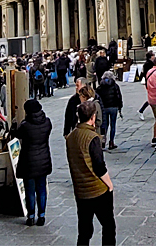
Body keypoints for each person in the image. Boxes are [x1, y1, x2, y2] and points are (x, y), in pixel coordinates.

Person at [67, 102, 116, 245]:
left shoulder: (71, 137)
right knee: (108, 225)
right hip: (97, 190)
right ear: (93, 117)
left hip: (80, 191)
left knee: (84, 230)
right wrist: (109, 184)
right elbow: (99, 165)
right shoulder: (92, 137)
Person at [14, 99, 53, 226]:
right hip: (43, 160)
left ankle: (30, 216)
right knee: (41, 189)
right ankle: (41, 216)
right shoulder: (47, 123)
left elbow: (17, 134)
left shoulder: (25, 126)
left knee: (30, 190)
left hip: (28, 161)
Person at [96, 70, 123, 150]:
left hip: (104, 107)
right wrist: (120, 106)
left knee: (104, 125)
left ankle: (103, 141)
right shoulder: (115, 86)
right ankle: (111, 142)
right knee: (113, 125)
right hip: (113, 107)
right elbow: (119, 96)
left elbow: (97, 97)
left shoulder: (100, 87)